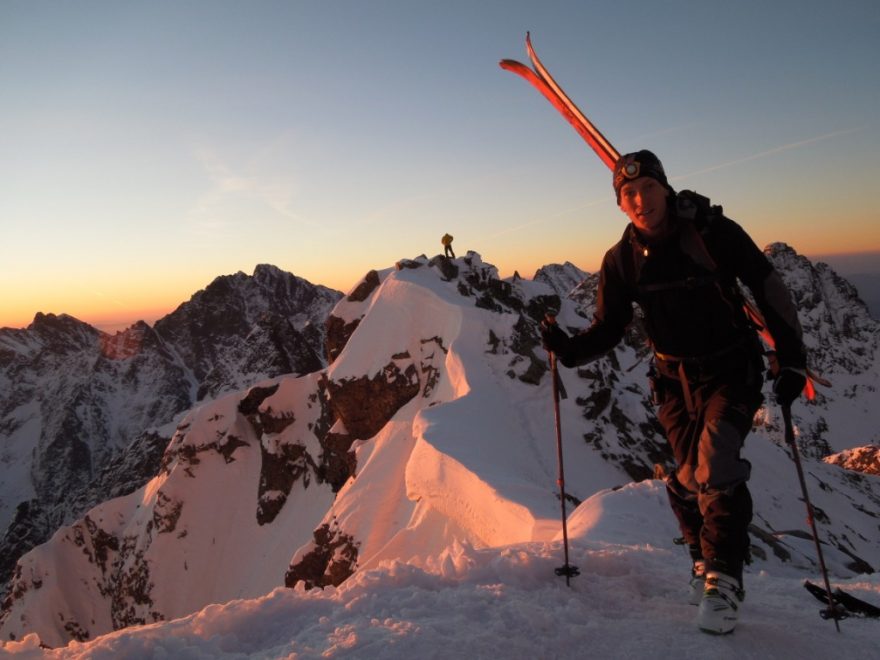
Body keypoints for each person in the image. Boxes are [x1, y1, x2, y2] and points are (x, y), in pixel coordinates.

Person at [540, 150, 807, 634]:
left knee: (717, 462)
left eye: (647, 189)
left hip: (733, 371)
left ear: (665, 188)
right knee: (687, 478)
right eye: (628, 194)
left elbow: (768, 287)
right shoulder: (621, 261)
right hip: (673, 383)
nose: (640, 200)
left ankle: (724, 580)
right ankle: (700, 559)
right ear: (620, 205)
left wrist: (791, 360)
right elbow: (610, 326)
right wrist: (570, 350)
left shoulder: (712, 234)